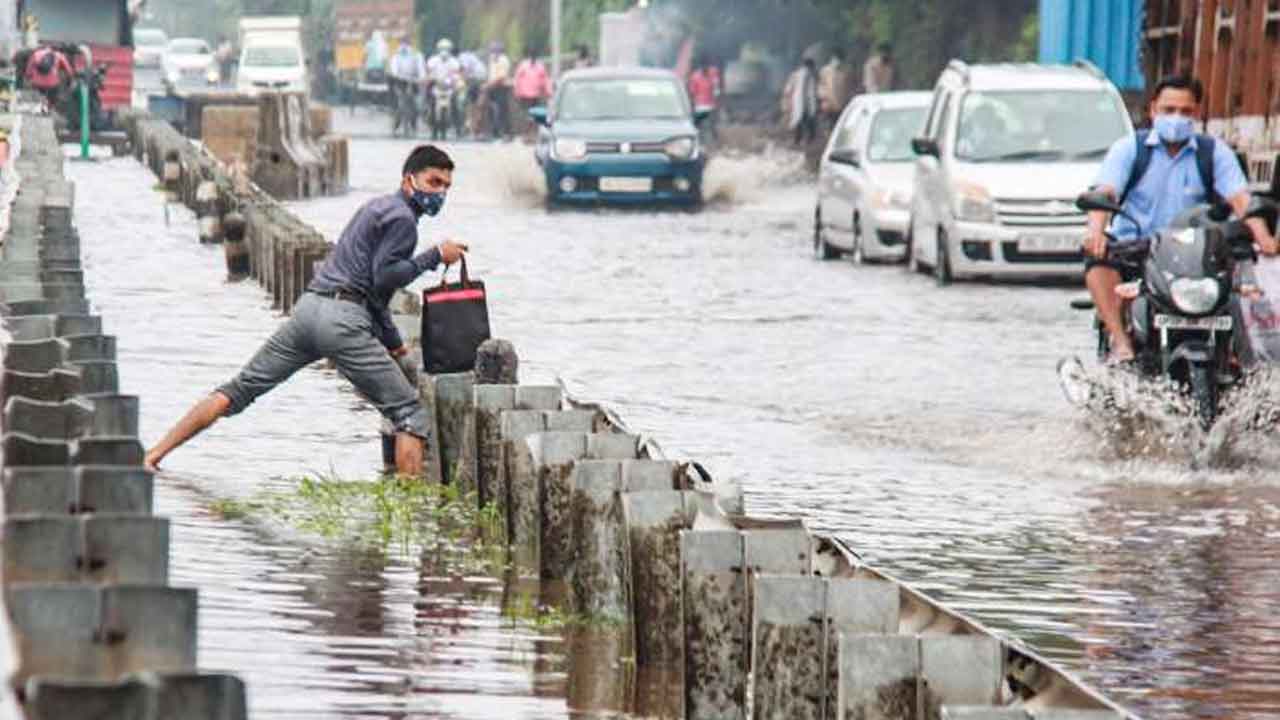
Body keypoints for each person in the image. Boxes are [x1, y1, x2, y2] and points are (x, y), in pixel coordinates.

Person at [144, 145, 469, 476]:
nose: (440, 192)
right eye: (434, 182)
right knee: (409, 413)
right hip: (344, 322)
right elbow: (384, 277)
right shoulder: (404, 221)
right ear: (409, 181)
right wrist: (436, 256)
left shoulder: (376, 207)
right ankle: (408, 520)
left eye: (446, 186)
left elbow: (374, 290)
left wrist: (393, 341)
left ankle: (154, 453)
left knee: (239, 389)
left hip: (309, 309)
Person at [1083, 75, 1277, 363]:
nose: (1177, 118)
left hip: (1197, 252)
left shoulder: (1214, 153)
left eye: (1185, 112)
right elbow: (1106, 191)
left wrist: (1265, 239)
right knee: (1097, 260)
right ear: (1152, 110)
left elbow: (1241, 200)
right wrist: (1095, 231)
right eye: (1168, 110)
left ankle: (1234, 352)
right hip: (1138, 248)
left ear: (1197, 113)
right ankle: (1121, 342)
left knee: (1239, 276)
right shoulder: (1130, 149)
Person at [388, 38, 426, 134]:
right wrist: (397, 75)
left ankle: (414, 124)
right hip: (400, 81)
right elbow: (394, 69)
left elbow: (421, 69)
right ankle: (396, 124)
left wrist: (421, 78)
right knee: (401, 104)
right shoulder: (396, 56)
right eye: (402, 44)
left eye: (406, 44)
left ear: (410, 45)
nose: (404, 46)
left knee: (416, 104)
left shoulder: (417, 55)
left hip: (413, 81)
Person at [513, 48, 552, 132]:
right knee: (526, 115)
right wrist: (517, 91)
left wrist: (548, 91)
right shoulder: (523, 65)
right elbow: (517, 79)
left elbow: (545, 79)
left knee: (536, 115)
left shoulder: (540, 66)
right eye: (532, 56)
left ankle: (533, 133)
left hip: (536, 95)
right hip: (525, 95)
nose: (533, 58)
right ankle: (526, 134)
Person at [783, 57, 819, 147]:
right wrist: (814, 106)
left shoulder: (795, 74)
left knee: (798, 122)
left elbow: (787, 90)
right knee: (809, 124)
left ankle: (797, 141)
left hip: (797, 103)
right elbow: (812, 92)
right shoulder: (811, 75)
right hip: (808, 104)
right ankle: (809, 142)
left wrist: (788, 101)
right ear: (811, 66)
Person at [687, 55, 720, 144]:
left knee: (712, 126)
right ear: (700, 66)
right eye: (703, 66)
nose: (705, 68)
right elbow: (692, 93)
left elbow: (716, 89)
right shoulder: (695, 76)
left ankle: (714, 142)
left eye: (707, 66)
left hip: (710, 105)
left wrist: (716, 100)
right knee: (699, 127)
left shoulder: (713, 73)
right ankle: (699, 142)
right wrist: (693, 105)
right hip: (700, 106)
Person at [818, 48, 854, 126]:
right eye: (836, 57)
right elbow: (821, 87)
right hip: (829, 105)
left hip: (843, 104)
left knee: (841, 125)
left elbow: (849, 87)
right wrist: (824, 100)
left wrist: (849, 100)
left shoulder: (846, 70)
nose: (837, 60)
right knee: (830, 126)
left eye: (839, 57)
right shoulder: (825, 71)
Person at [485, 41, 513, 139]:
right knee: (491, 110)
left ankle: (507, 133)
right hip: (492, 88)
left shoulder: (503, 60)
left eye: (495, 51)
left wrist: (490, 84)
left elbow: (501, 77)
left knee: (503, 110)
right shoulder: (492, 60)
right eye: (492, 50)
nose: (493, 53)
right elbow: (491, 75)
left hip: (502, 88)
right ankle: (494, 132)